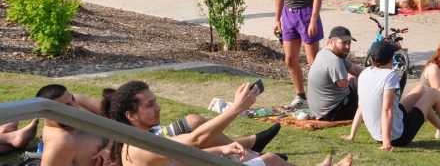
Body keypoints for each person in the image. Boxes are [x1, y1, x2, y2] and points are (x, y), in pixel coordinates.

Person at [104, 80, 326, 166]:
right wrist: (237, 108)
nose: (158, 107)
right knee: (271, 160)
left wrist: (221, 148)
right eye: (150, 105)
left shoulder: (141, 138)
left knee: (269, 160)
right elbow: (195, 138)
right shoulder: (140, 147)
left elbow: (183, 154)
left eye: (156, 102)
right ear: (131, 115)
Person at [346, 41, 440, 149]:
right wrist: (387, 143)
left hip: (378, 133)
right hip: (397, 136)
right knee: (434, 93)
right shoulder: (389, 75)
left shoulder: (365, 73)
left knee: (422, 88)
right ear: (390, 59)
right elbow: (387, 110)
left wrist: (352, 135)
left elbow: (361, 106)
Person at [270, 0, 324, 109]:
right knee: (290, 59)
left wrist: (313, 20)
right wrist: (277, 19)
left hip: (306, 13)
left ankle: (319, 98)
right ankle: (300, 96)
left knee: (312, 61)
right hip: (288, 14)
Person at [307, 26, 362, 121]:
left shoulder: (326, 52)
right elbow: (343, 84)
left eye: (349, 43)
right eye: (343, 43)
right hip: (331, 112)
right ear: (331, 42)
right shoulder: (334, 60)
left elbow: (356, 70)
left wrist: (375, 74)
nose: (347, 47)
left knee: (358, 80)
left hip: (322, 110)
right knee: (371, 99)